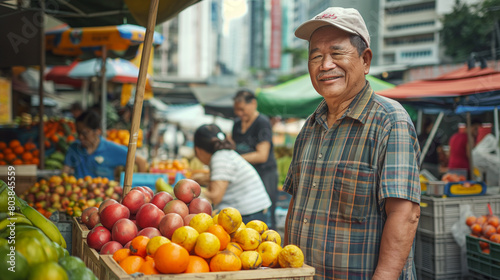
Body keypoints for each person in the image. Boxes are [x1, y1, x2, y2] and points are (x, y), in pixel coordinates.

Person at [283, 7, 421, 280]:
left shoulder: (390, 120)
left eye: (337, 53)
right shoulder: (310, 126)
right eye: (316, 56)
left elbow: (405, 215)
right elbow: (296, 203)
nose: (325, 65)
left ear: (365, 60)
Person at [194, 124, 271, 223]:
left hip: (250, 215)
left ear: (197, 150)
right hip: (255, 211)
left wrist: (193, 194)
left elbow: (215, 196)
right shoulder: (225, 153)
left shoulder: (220, 158)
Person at [232, 89, 278, 229]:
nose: (239, 113)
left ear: (253, 103)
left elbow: (262, 155)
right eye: (237, 110)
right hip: (246, 176)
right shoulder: (237, 125)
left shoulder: (262, 123)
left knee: (265, 213)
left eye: (242, 109)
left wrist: (236, 159)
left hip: (265, 174)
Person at [63, 110, 147, 180]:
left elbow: (141, 162)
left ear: (98, 131)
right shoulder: (74, 148)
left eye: (85, 133)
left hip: (106, 198)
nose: (80, 137)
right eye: (78, 132)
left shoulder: (111, 148)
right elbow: (64, 173)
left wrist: (138, 188)